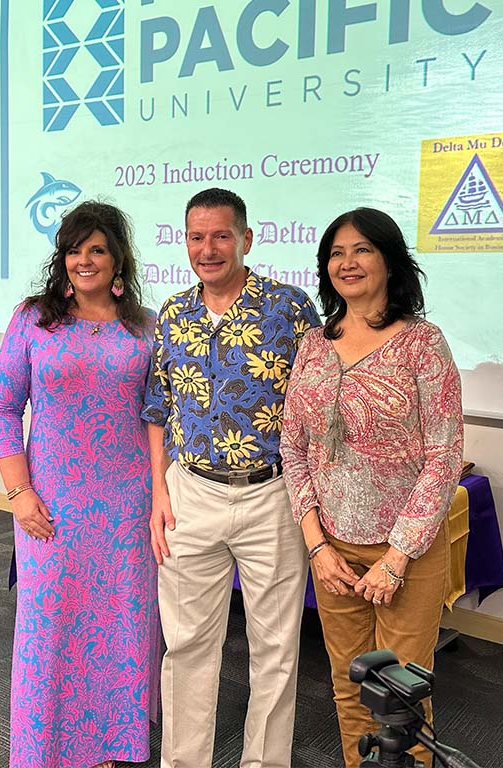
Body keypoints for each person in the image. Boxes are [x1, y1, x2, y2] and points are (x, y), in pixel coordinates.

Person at [142, 188, 321, 768]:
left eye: (221, 235)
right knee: (188, 645)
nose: (208, 248)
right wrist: (158, 493)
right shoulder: (173, 315)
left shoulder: (290, 309)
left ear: (247, 238)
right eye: (196, 237)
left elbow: (317, 405)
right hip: (191, 491)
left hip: (271, 494)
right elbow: (155, 409)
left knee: (275, 648)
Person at [280, 207, 464, 768]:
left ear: (389, 261)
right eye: (335, 253)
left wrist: (397, 557)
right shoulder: (314, 344)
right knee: (349, 687)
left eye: (361, 250)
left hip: (403, 554)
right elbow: (294, 447)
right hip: (332, 551)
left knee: (400, 699)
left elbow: (444, 453)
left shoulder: (422, 344)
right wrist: (316, 544)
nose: (347, 263)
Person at [0, 201, 157, 768]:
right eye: (74, 249)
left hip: (128, 506)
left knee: (123, 629)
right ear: (62, 257)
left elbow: (159, 417)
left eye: (97, 249)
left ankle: (113, 751)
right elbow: (3, 410)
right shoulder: (33, 318)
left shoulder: (143, 327)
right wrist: (19, 493)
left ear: (117, 259)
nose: (85, 261)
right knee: (48, 630)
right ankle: (44, 754)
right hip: (50, 507)